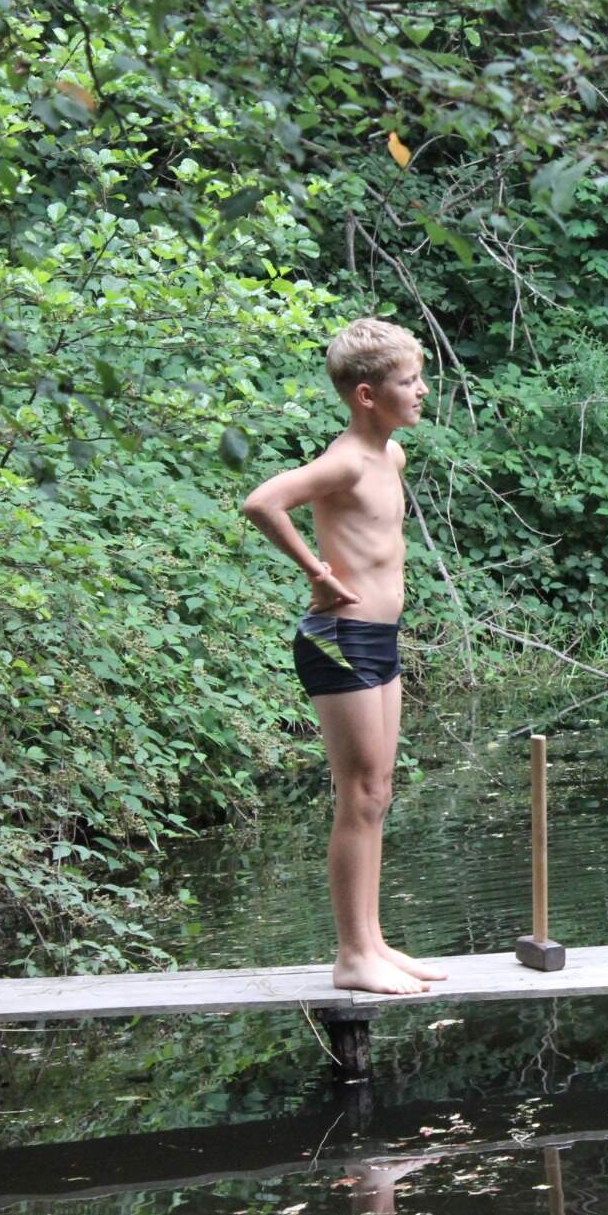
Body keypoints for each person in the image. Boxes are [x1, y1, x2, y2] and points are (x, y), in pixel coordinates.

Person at [241, 317, 443, 995]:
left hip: (377, 639)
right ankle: (352, 954)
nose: (422, 390)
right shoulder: (347, 460)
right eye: (408, 381)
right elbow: (263, 502)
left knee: (377, 792)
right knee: (358, 792)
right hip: (339, 637)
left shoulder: (393, 456)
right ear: (366, 394)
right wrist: (316, 571)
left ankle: (373, 941)